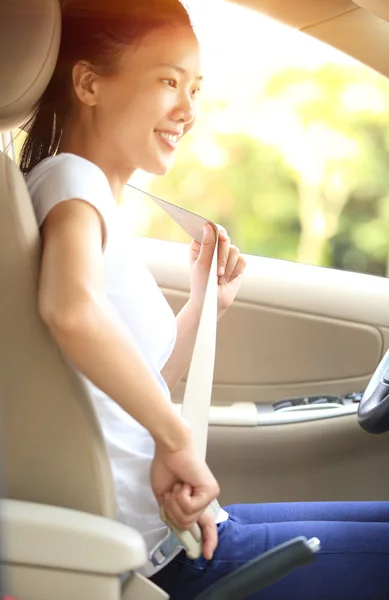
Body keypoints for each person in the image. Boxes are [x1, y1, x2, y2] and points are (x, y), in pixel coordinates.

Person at [20, 1, 389, 598]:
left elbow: (118, 391)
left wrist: (202, 305)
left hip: (181, 540)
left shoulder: (72, 193)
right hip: (168, 563)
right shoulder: (72, 181)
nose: (188, 110)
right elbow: (71, 310)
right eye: (169, 81)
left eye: (196, 88)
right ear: (88, 83)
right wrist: (176, 440)